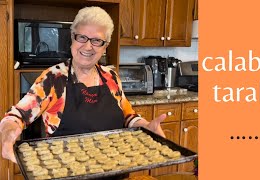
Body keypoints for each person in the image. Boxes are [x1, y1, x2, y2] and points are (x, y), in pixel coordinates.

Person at [0, 6, 166, 167]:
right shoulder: (53, 78)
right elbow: (15, 116)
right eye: (82, 37)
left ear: (105, 46)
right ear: (72, 38)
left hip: (114, 170)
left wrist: (145, 126)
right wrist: (8, 133)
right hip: (66, 172)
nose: (88, 46)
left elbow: (128, 116)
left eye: (96, 40)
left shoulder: (111, 77)